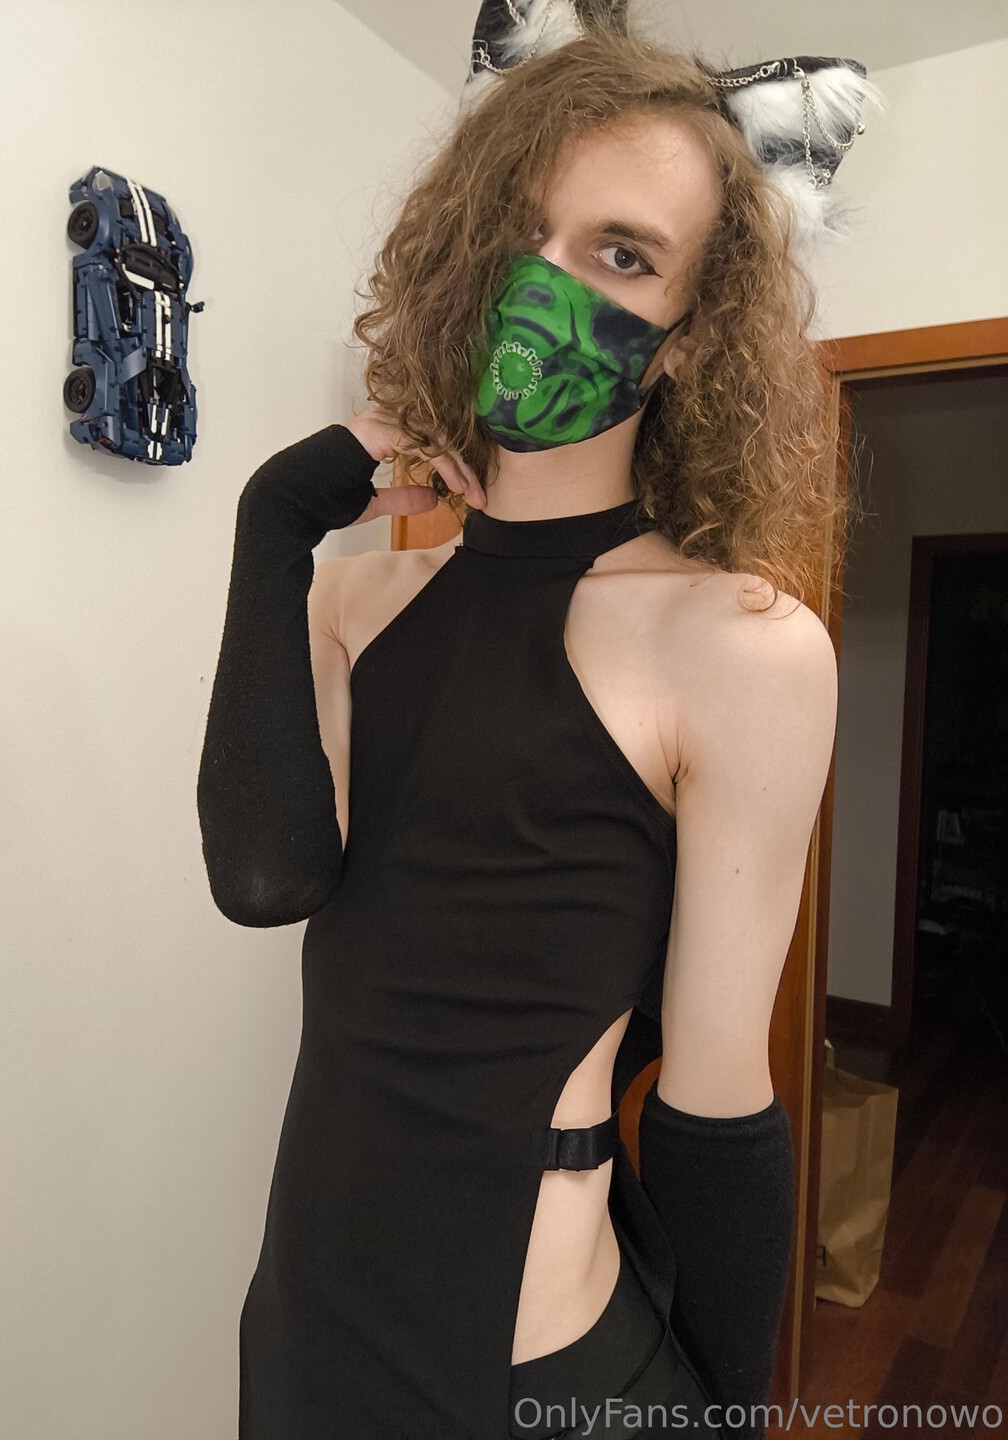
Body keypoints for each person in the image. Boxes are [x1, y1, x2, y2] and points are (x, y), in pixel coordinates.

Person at [198, 15, 874, 1440]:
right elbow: (263, 880)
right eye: (524, 231)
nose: (545, 283)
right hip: (304, 1313)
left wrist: (721, 1417)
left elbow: (717, 1104)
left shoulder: (741, 647)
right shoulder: (355, 600)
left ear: (689, 338)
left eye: (621, 254)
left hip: (521, 1368)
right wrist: (269, 530)